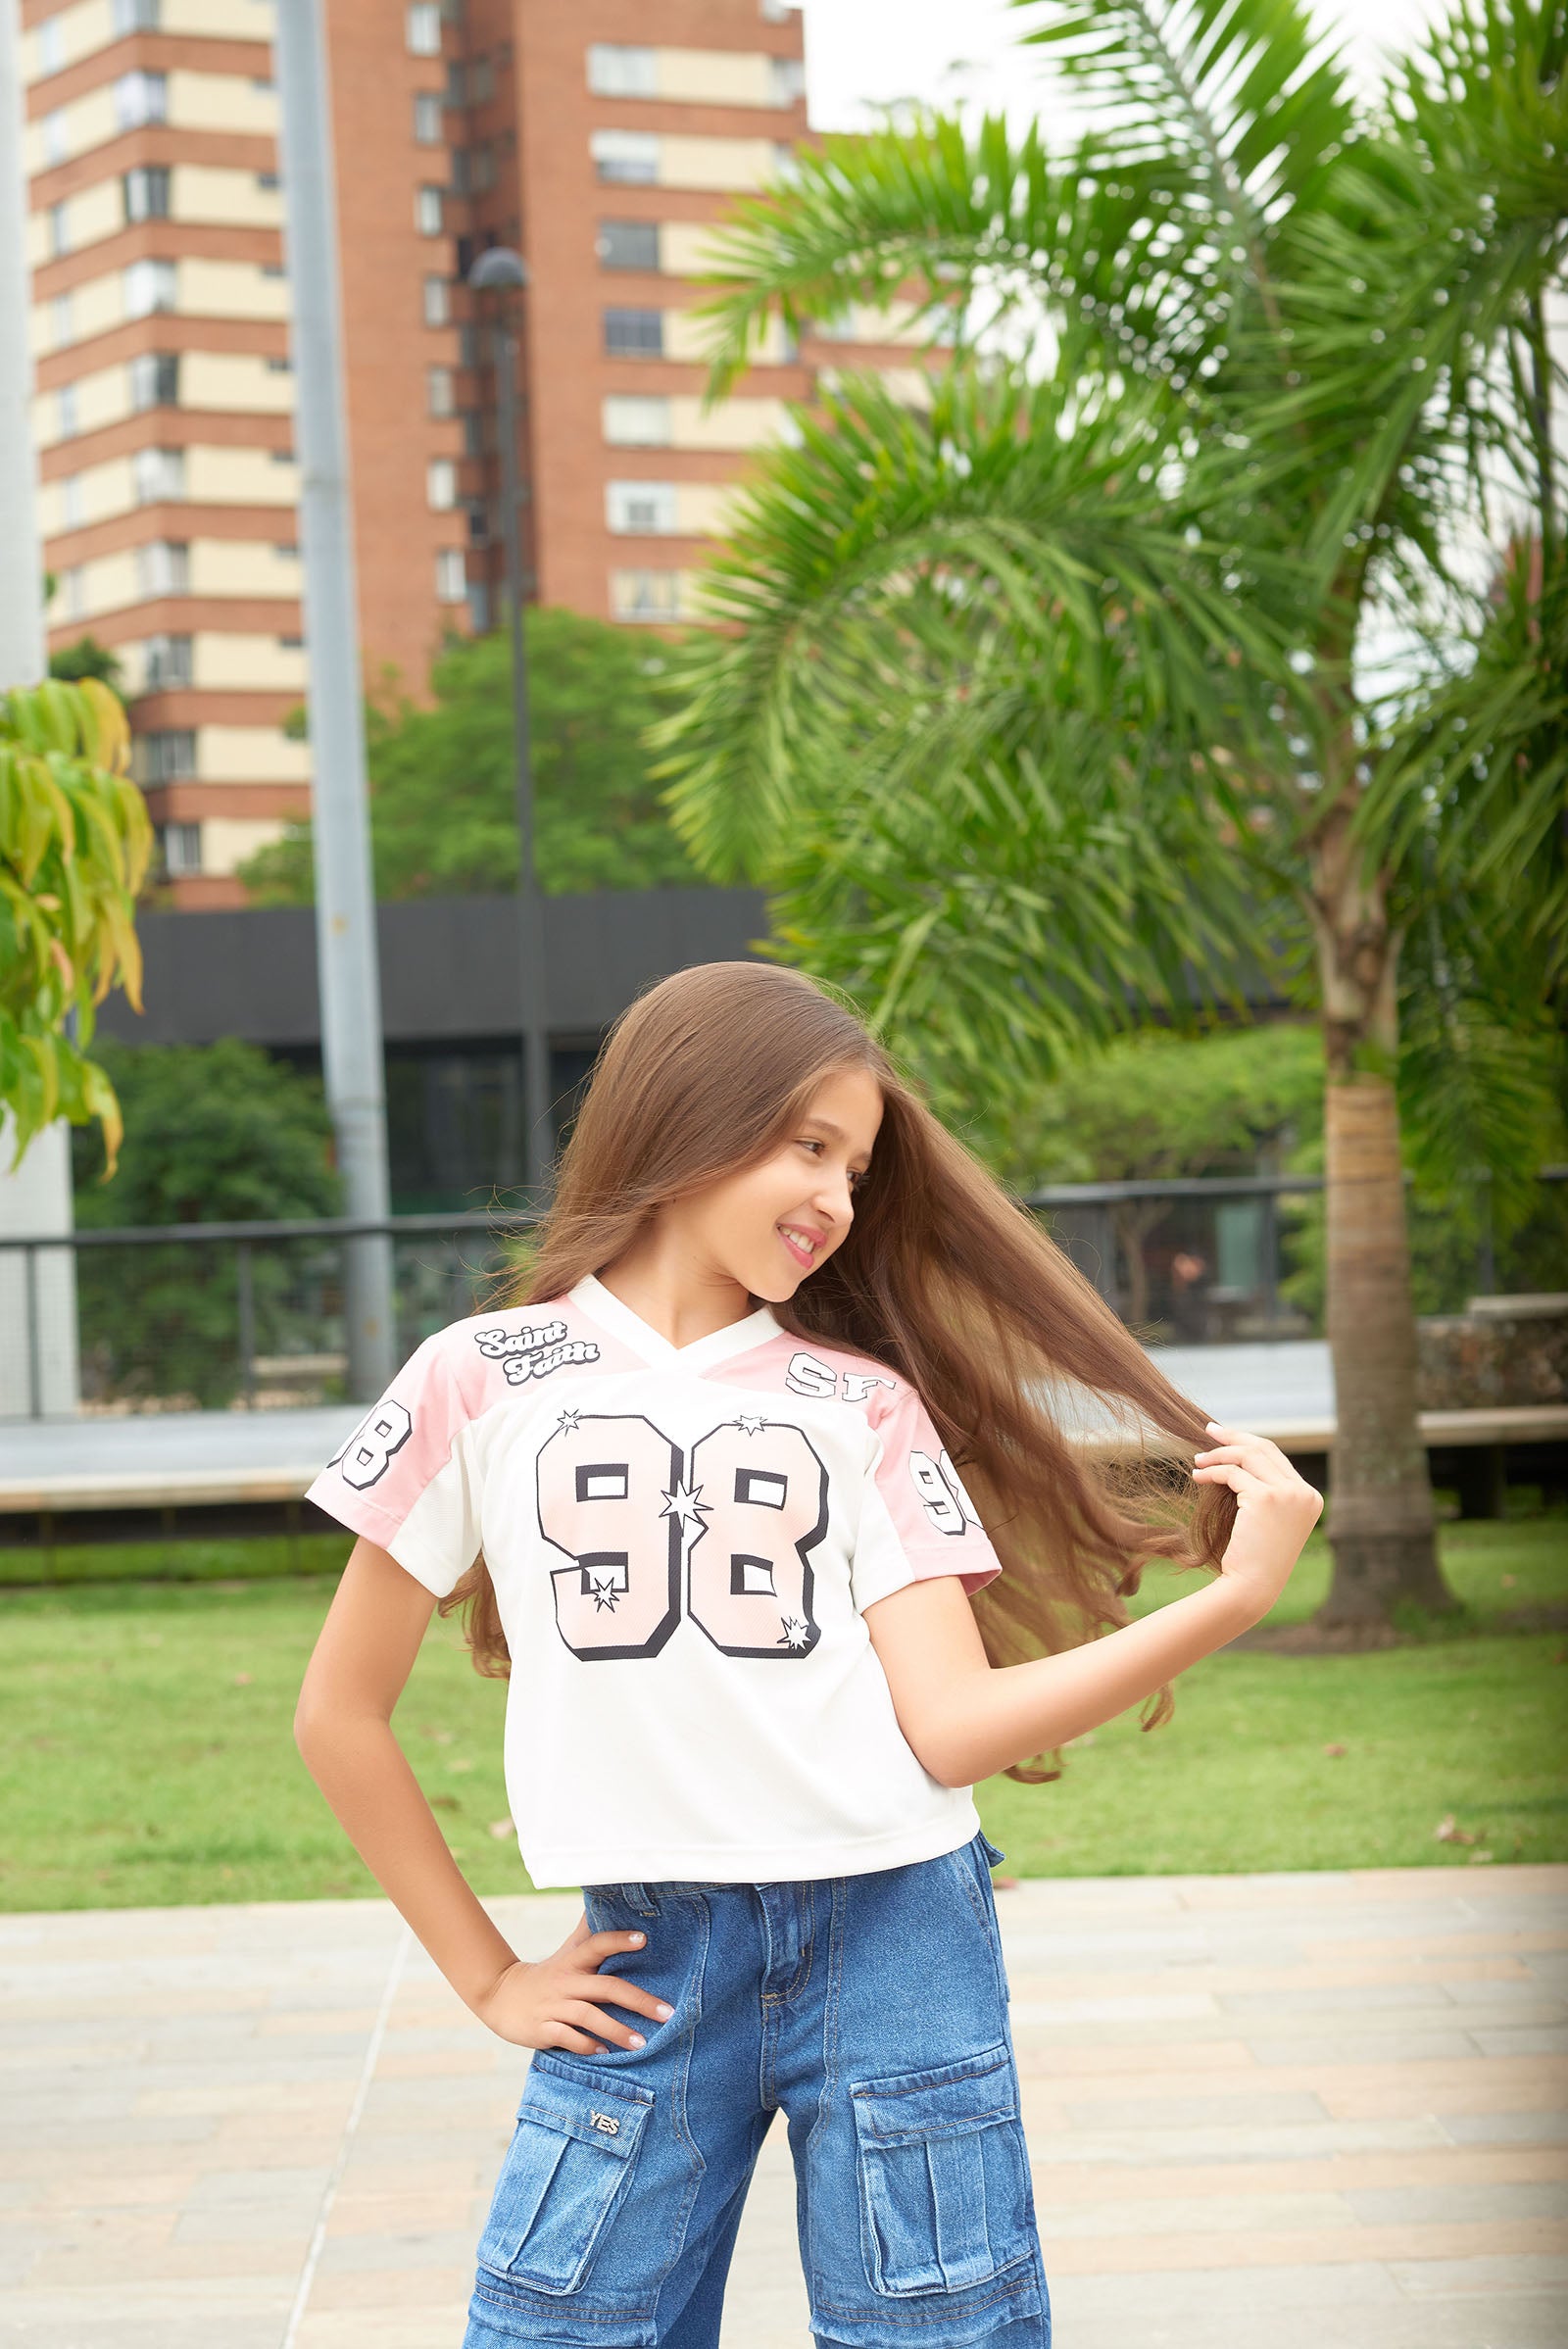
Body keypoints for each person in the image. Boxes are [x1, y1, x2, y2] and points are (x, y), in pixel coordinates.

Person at [294, 961, 1322, 2349]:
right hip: (647, 1952)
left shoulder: (862, 1403)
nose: (838, 1197)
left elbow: (953, 1726)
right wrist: (487, 1976)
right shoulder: (477, 1376)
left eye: (857, 1167)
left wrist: (1233, 1598)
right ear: (684, 1118)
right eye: (810, 1146)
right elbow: (338, 1714)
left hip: (898, 1938)